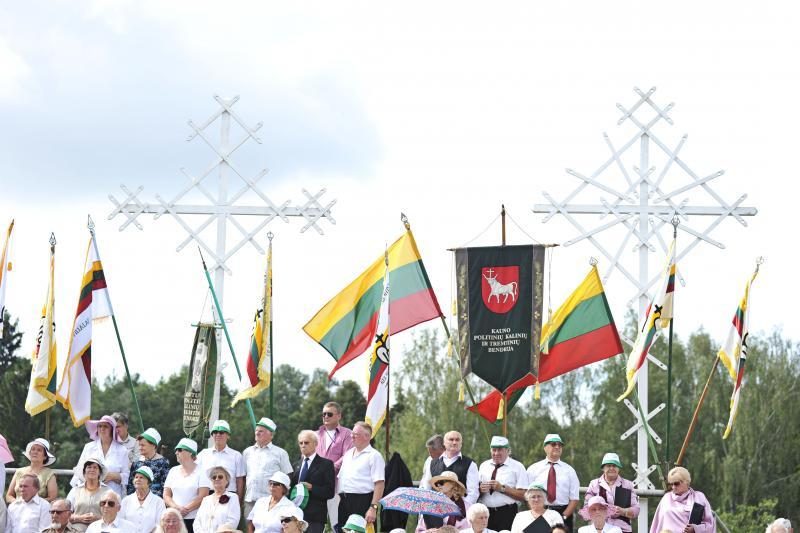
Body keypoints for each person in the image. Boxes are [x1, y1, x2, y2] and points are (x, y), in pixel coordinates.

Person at [526, 434, 579, 532]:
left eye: (560, 445)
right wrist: (536, 514)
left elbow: (574, 499)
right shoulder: (533, 469)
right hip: (540, 511)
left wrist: (563, 517)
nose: (557, 447)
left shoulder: (570, 471)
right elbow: (527, 495)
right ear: (545, 447)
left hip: (563, 513)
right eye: (553, 444)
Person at [336, 422, 384, 530]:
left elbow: (379, 484)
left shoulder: (374, 456)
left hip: (363, 501)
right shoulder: (348, 454)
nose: (351, 436)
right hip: (344, 501)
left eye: (355, 434)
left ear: (367, 436)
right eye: (352, 433)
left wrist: (373, 508)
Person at [243, 418, 293, 520]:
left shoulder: (280, 453)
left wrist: (281, 498)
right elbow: (243, 477)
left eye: (261, 431)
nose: (257, 433)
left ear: (271, 435)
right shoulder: (247, 452)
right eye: (256, 430)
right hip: (250, 501)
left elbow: (288, 476)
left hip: (270, 502)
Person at [70, 415, 130, 498]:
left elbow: (127, 476)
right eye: (100, 426)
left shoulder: (122, 450)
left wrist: (115, 476)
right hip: (90, 494)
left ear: (112, 430)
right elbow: (79, 471)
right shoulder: (88, 447)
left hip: (113, 496)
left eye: (106, 426)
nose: (102, 429)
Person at [315, 402, 353, 531]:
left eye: (329, 414)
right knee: (315, 525)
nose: (326, 416)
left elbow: (347, 456)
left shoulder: (347, 434)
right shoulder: (315, 435)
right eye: (324, 414)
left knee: (337, 525)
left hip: (336, 486)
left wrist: (327, 469)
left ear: (339, 416)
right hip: (316, 487)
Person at [478, 436, 528, 532]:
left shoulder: (518, 467)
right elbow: (476, 491)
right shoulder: (484, 466)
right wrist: (481, 489)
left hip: (507, 513)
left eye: (500, 450)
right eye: (494, 450)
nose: (496, 453)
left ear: (508, 450)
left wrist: (502, 488)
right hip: (486, 513)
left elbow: (524, 495)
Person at [289, 430, 335, 533]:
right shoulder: (295, 465)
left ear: (315, 444)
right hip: (296, 516)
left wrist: (312, 488)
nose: (303, 445)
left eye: (306, 442)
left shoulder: (326, 464)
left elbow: (330, 492)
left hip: (315, 518)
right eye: (301, 443)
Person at [580, 453, 638, 533]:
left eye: (614, 466)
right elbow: (586, 508)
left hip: (623, 530)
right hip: (599, 530)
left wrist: (623, 511)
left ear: (619, 468)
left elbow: (636, 510)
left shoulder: (627, 485)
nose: (611, 468)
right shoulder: (594, 484)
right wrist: (600, 512)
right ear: (603, 468)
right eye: (608, 465)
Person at [421, 431, 479, 506]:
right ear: (444, 443)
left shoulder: (470, 464)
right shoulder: (432, 463)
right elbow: (426, 488)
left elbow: (473, 493)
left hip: (459, 513)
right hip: (436, 511)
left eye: (457, 440)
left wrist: (461, 509)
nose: (454, 442)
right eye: (451, 439)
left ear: (461, 444)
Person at [649, 467, 715, 533]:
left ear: (686, 481)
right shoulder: (666, 498)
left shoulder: (699, 497)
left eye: (676, 483)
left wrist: (696, 529)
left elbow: (710, 525)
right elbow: (656, 525)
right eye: (671, 484)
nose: (673, 487)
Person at [164, 438, 208, 533]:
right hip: (174, 520)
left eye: (179, 450)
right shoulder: (173, 471)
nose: (176, 453)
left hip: (195, 520)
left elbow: (203, 496)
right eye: (176, 450)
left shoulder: (202, 471)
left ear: (190, 453)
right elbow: (166, 495)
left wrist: (185, 510)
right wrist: (176, 509)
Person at [197, 421, 246, 499]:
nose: (218, 434)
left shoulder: (236, 456)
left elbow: (240, 481)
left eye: (221, 432)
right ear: (212, 435)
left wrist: (239, 501)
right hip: (207, 495)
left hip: (229, 495)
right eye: (215, 432)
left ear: (228, 435)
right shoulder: (203, 454)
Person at [65, 456, 112, 532]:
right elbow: (64, 514)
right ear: (84, 472)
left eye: (95, 467)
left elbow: (113, 516)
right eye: (89, 467)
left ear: (99, 472)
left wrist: (97, 519)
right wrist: (79, 518)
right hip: (77, 530)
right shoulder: (75, 490)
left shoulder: (108, 491)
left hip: (100, 529)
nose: (92, 470)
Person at [5, 438, 58, 503]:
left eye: (39, 450)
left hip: (38, 510)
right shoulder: (19, 471)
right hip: (17, 509)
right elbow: (8, 496)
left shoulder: (49, 474)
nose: (35, 452)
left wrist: (32, 503)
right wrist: (18, 503)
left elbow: (52, 498)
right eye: (33, 449)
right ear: (29, 453)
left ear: (45, 456)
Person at [193, 467, 241, 533]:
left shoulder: (233, 497)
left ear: (227, 480)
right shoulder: (206, 499)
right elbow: (197, 522)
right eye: (214, 477)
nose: (217, 479)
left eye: (220, 477)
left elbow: (233, 521)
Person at [120, 465, 167, 532]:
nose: (138, 479)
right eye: (136, 477)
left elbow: (160, 526)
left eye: (141, 477)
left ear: (149, 482)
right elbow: (120, 523)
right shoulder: (126, 501)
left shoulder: (158, 502)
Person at [128, 428, 171, 497]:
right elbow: (131, 487)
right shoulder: (137, 463)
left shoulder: (163, 462)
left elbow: (165, 487)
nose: (140, 448)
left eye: (143, 445)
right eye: (139, 445)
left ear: (153, 445)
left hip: (156, 502)